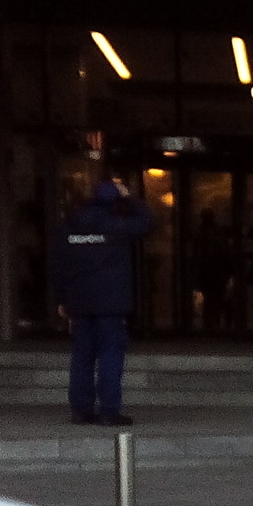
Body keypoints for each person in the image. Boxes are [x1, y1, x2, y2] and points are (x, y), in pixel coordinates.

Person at [49, 177, 153, 426]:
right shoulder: (117, 227)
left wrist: (62, 298)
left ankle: (80, 410)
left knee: (82, 356)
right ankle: (109, 411)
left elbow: (57, 265)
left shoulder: (69, 228)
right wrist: (129, 197)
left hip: (80, 303)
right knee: (110, 355)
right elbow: (148, 222)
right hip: (111, 304)